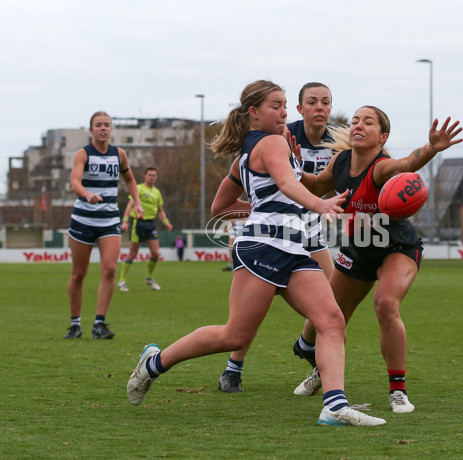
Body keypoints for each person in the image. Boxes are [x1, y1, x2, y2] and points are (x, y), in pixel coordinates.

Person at [127, 80, 386, 426]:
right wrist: (315, 204)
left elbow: (223, 205)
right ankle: (154, 363)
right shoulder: (272, 142)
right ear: (254, 113)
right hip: (263, 248)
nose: (282, 112)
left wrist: (267, 208)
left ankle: (334, 406)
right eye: (275, 106)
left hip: (293, 250)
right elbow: (287, 184)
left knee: (331, 320)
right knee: (234, 335)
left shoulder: (255, 151)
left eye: (283, 105)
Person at [292, 106, 463, 414]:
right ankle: (322, 370)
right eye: (355, 120)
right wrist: (293, 168)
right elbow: (316, 187)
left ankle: (397, 390)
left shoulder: (382, 167)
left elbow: (409, 163)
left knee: (385, 303)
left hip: (396, 245)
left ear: (382, 137)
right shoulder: (340, 161)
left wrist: (430, 150)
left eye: (368, 122)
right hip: (359, 247)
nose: (358, 125)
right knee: (330, 316)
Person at [218, 82, 335, 392]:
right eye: (312, 102)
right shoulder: (280, 135)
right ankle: (233, 368)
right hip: (273, 235)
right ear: (301, 109)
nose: (320, 107)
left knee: (330, 305)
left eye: (326, 102)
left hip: (307, 229)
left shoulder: (337, 143)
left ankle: (310, 349)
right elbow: (285, 184)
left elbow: (316, 184)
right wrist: (263, 209)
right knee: (249, 313)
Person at [64, 111, 143, 339]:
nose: (103, 128)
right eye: (98, 125)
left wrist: (136, 202)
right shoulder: (83, 154)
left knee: (109, 270)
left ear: (111, 129)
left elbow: (129, 179)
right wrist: (87, 194)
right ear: (91, 130)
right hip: (84, 220)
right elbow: (75, 183)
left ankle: (99, 324)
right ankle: (75, 324)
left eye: (107, 125)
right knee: (79, 274)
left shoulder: (119, 154)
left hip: (109, 220)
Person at [117, 167, 173, 292]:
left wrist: (166, 222)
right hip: (137, 223)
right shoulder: (139, 188)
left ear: (156, 177)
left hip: (150, 224)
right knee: (132, 254)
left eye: (154, 175)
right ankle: (122, 280)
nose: (152, 177)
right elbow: (130, 205)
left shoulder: (157, 192)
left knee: (155, 253)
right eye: (150, 175)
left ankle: (149, 277)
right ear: (145, 176)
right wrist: (125, 221)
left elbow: (160, 210)